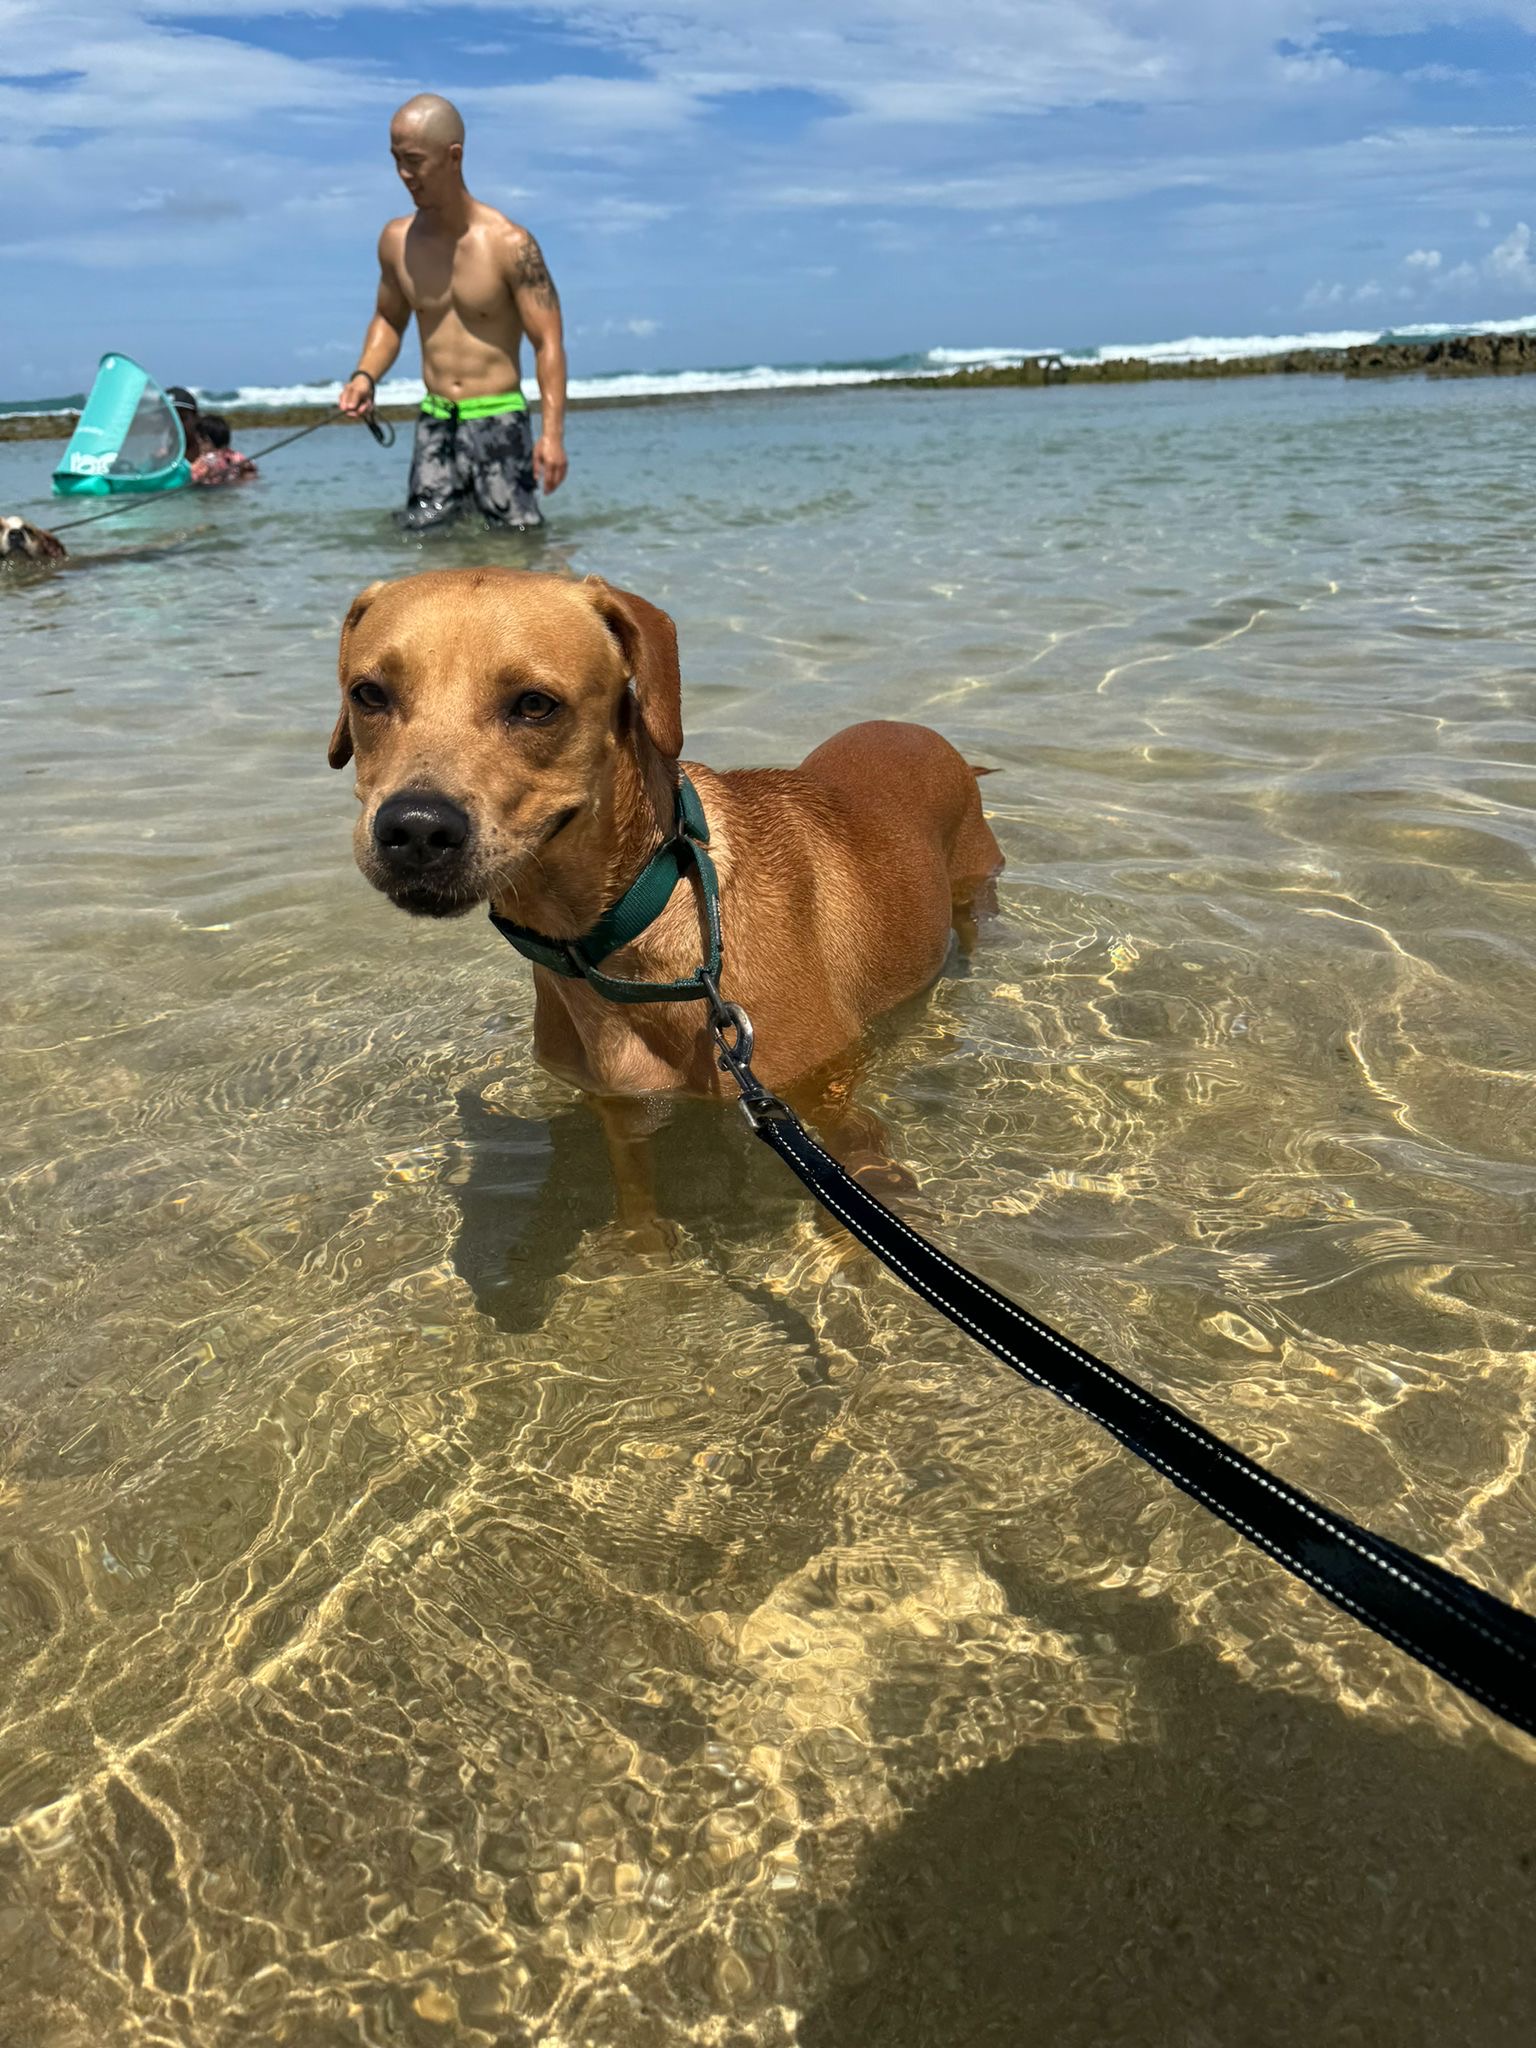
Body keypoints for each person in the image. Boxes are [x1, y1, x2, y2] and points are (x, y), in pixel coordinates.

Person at [338, 93, 568, 532]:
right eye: (396, 160)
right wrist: (365, 375)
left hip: (499, 420)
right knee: (423, 541)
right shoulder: (396, 241)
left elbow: (548, 342)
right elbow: (389, 319)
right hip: (436, 421)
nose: (404, 174)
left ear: (454, 156)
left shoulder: (510, 244)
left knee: (515, 545)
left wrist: (552, 436)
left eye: (414, 161)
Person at [189, 414, 258, 488]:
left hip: (218, 488)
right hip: (222, 487)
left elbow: (194, 478)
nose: (199, 445)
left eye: (202, 441)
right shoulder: (236, 456)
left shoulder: (204, 461)